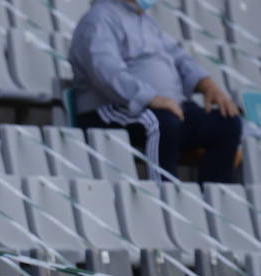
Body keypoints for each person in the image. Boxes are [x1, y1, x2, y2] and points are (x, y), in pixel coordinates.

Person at [69, 0, 241, 182]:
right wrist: (150, 98)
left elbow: (179, 57)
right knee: (159, 123)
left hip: (163, 110)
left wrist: (207, 85)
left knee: (227, 122)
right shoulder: (99, 18)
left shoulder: (145, 21)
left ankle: (212, 201)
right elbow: (104, 70)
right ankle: (164, 200)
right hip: (112, 108)